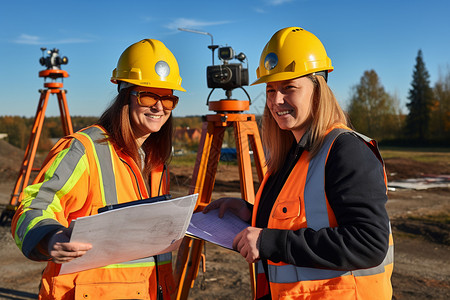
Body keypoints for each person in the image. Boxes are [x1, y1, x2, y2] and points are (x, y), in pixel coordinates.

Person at [204, 27, 393, 299]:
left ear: (319, 88)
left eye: (289, 88)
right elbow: (305, 218)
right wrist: (251, 212)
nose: (276, 100)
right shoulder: (293, 154)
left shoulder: (345, 150)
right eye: (270, 90)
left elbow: (369, 243)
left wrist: (270, 242)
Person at [11, 38, 185, 299]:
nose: (159, 107)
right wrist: (50, 236)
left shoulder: (156, 161)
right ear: (126, 95)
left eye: (169, 99)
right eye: (149, 95)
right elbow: (33, 206)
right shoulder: (84, 149)